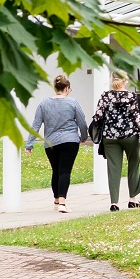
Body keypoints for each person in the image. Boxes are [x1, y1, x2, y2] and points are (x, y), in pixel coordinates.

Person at [26, 74, 89, 212]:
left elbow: (35, 125)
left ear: (55, 88)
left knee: (56, 171)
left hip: (51, 143)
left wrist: (29, 144)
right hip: (70, 141)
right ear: (67, 88)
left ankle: (56, 200)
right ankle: (62, 203)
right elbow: (82, 121)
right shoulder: (73, 102)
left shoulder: (43, 103)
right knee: (65, 171)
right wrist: (84, 136)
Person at [92, 71, 140, 211]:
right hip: (130, 136)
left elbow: (97, 117)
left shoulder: (105, 96)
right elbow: (137, 118)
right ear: (125, 81)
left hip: (110, 137)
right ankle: (132, 199)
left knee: (113, 168)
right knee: (133, 165)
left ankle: (114, 203)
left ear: (112, 80)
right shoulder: (131, 96)